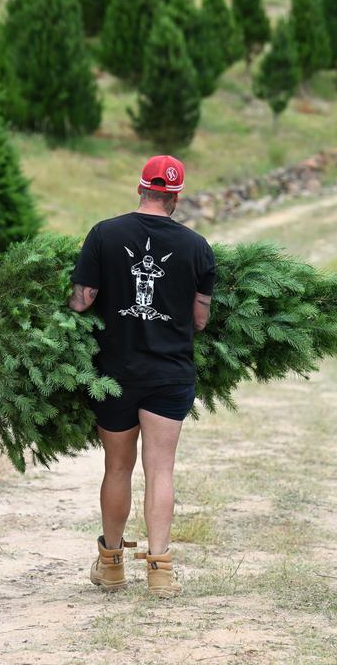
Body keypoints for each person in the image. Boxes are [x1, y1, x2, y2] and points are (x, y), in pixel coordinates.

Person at [68, 155, 216, 596]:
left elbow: (81, 301)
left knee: (117, 467)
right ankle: (161, 571)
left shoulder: (104, 234)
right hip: (170, 374)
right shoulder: (197, 247)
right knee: (161, 470)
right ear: (175, 195)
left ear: (140, 188)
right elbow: (201, 320)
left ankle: (111, 564)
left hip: (115, 372)